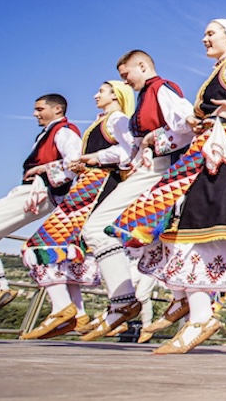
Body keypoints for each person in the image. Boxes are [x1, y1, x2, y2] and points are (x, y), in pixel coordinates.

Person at [106, 20, 226, 354]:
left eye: (212, 33)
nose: (204, 38)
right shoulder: (220, 71)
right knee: (170, 228)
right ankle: (189, 307)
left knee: (195, 233)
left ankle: (199, 316)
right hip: (204, 155)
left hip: (224, 157)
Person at [78, 50, 194, 340]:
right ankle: (177, 302)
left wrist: (154, 140)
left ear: (142, 66)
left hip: (158, 169)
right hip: (152, 168)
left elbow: (186, 127)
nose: (125, 81)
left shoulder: (161, 89)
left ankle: (125, 301)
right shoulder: (149, 94)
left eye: (126, 74)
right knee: (151, 239)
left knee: (96, 228)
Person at [20, 81, 135, 339]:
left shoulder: (117, 119)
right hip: (86, 187)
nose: (96, 94)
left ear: (116, 96)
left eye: (102, 91)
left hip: (96, 186)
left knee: (40, 245)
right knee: (66, 250)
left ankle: (64, 309)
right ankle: (77, 313)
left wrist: (96, 158)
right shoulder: (103, 121)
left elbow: (130, 149)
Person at [0, 94, 81, 315]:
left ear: (57, 109)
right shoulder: (52, 132)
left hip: (38, 192)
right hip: (36, 192)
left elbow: (76, 161)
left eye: (40, 109)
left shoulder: (63, 131)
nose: (35, 113)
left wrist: (44, 171)